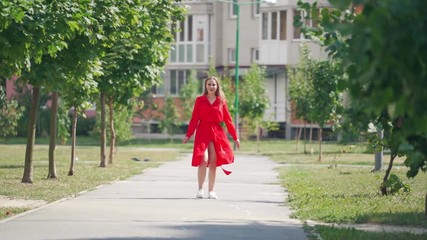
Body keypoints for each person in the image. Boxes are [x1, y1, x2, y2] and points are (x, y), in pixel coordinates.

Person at [182, 76, 240, 199]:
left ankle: (211, 191)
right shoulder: (199, 100)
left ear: (217, 86)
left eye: (214, 84)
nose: (211, 86)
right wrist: (188, 134)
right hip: (203, 131)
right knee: (203, 159)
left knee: (213, 162)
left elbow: (228, 120)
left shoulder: (221, 101)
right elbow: (194, 119)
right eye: (209, 84)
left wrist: (235, 137)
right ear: (206, 86)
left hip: (217, 132)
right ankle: (200, 189)